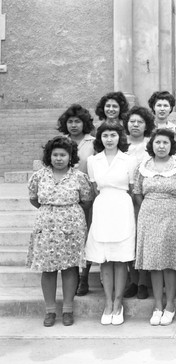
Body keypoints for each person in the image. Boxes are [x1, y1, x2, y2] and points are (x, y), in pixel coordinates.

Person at [27, 136, 93, 327]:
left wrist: (66, 212)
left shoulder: (79, 177)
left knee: (70, 268)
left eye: (63, 155)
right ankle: (49, 311)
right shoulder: (39, 176)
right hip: (46, 227)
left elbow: (86, 201)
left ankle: (67, 309)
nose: (58, 158)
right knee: (48, 269)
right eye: (55, 154)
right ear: (49, 156)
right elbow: (34, 199)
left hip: (71, 227)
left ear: (70, 156)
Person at [133, 129, 176, 326]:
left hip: (171, 215)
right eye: (158, 142)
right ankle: (157, 305)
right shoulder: (143, 166)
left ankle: (170, 305)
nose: (161, 146)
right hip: (148, 215)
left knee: (169, 262)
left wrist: (173, 211)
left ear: (171, 145)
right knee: (154, 262)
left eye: (165, 142)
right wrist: (150, 208)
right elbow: (137, 192)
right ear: (152, 145)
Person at [85, 122, 136, 326]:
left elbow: (132, 188)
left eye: (113, 134)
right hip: (103, 206)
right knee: (105, 257)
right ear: (100, 138)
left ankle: (118, 302)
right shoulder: (93, 160)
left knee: (121, 256)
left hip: (122, 206)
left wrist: (119, 200)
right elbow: (94, 187)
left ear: (119, 137)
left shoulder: (129, 160)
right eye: (105, 135)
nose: (109, 139)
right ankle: (107, 302)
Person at [56, 104, 96, 296]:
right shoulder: (60, 142)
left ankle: (84, 277)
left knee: (86, 235)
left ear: (84, 123)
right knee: (70, 237)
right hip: (65, 198)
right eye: (70, 121)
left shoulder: (93, 143)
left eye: (77, 121)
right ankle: (70, 274)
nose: (73, 125)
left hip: (88, 197)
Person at [122, 106, 156, 300]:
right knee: (128, 237)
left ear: (146, 125)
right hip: (123, 196)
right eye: (132, 121)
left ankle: (143, 281)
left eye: (140, 122)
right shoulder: (121, 144)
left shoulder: (150, 145)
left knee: (143, 238)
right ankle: (132, 280)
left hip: (144, 197)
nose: (135, 125)